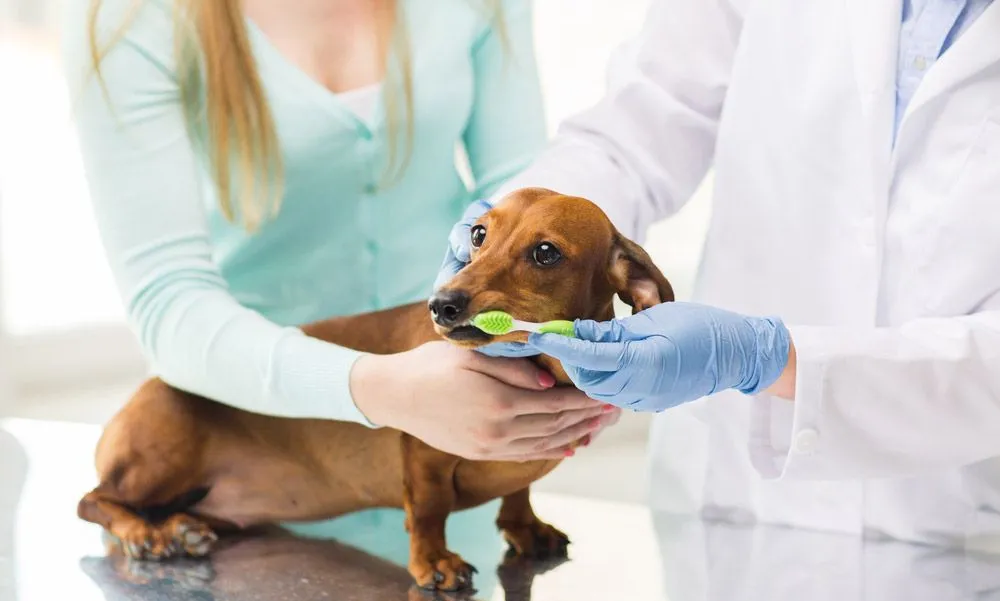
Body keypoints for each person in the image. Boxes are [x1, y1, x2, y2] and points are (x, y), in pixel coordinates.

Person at [438, 0, 1000, 548]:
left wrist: (764, 358)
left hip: (951, 516)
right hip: (726, 492)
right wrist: (516, 233)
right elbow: (640, 125)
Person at [63, 0, 618, 464]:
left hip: (462, 449)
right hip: (246, 451)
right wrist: (384, 389)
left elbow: (523, 197)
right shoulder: (133, 18)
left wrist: (586, 351)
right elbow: (168, 304)